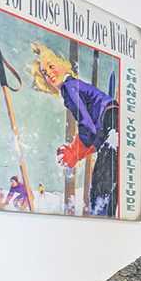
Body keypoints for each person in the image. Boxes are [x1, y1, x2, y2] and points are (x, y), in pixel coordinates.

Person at [29, 42, 119, 216]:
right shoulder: (72, 86)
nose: (49, 73)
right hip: (110, 127)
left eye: (51, 66)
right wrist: (76, 153)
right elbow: (94, 137)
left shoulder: (69, 88)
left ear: (62, 64)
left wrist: (74, 153)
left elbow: (86, 125)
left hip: (111, 122)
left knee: (101, 192)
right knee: (105, 186)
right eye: (45, 74)